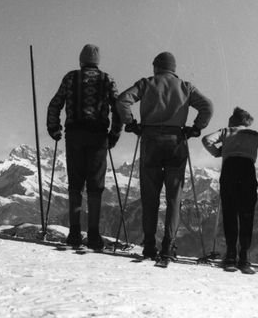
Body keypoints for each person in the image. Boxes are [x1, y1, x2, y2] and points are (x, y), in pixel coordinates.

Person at [116, 51, 213, 260]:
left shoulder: (147, 83)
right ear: (173, 68)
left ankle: (149, 245)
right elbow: (208, 106)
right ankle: (168, 245)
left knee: (149, 196)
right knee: (173, 196)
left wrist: (131, 123)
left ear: (156, 67)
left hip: (150, 140)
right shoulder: (186, 87)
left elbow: (123, 100)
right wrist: (195, 128)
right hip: (177, 141)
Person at [46, 44, 122, 250]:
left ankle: (74, 233)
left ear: (81, 60)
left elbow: (55, 104)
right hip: (98, 136)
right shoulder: (107, 79)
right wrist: (114, 134)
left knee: (75, 185)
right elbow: (119, 108)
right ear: (97, 62)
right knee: (95, 186)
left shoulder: (70, 77)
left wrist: (54, 129)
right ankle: (94, 235)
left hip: (74, 136)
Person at [202, 107, 258, 273]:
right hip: (247, 170)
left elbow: (206, 139)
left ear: (233, 120)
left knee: (230, 211)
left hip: (229, 168)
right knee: (246, 213)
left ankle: (230, 255)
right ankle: (244, 256)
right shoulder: (254, 135)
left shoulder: (226, 131)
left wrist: (217, 152)